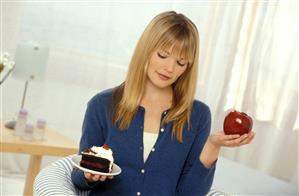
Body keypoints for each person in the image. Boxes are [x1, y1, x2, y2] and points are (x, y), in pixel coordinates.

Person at [71, 11, 255, 196]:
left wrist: (213, 145)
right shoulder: (102, 105)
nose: (170, 68)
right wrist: (89, 175)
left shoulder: (198, 116)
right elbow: (79, 179)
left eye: (181, 62)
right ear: (146, 50)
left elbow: (190, 193)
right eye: (162, 55)